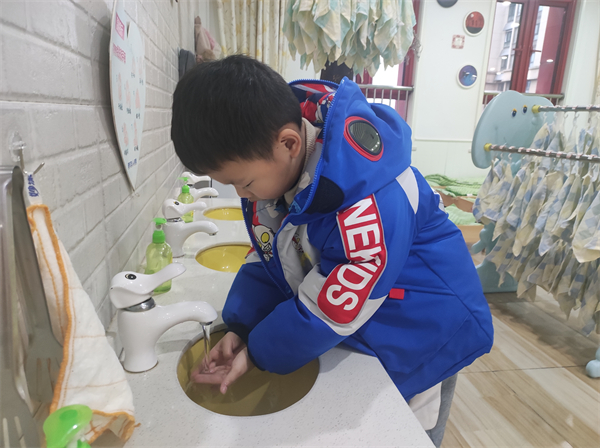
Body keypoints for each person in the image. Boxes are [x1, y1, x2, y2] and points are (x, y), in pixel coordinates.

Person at [171, 55, 493, 446]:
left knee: (409, 432)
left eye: (244, 183)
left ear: (289, 143)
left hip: (426, 325)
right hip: (374, 316)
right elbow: (272, 254)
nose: (242, 194)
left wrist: (260, 350)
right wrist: (241, 325)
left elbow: (335, 303)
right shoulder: (283, 168)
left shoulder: (369, 200)